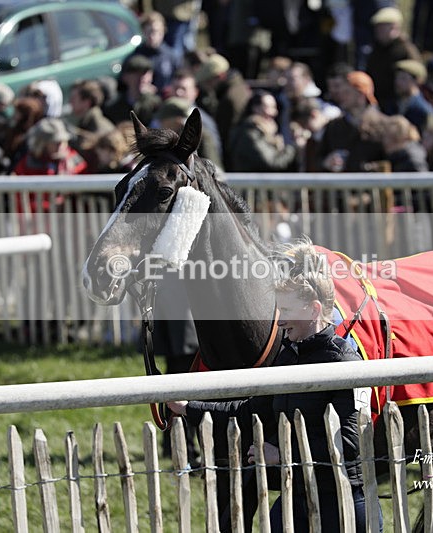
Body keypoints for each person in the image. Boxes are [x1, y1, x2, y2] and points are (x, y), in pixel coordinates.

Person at [166, 239, 380, 532]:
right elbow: (251, 408)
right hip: (298, 500)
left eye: (287, 310)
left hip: (341, 506)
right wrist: (189, 408)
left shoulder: (345, 362)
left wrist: (282, 454)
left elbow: (351, 447)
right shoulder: (288, 356)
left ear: (313, 309)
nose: (279, 322)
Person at [225, 90, 298, 172]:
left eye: (274, 107)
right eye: (268, 107)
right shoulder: (250, 134)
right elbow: (272, 163)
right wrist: (292, 148)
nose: (274, 112)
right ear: (255, 108)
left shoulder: (265, 133)